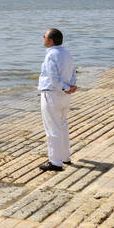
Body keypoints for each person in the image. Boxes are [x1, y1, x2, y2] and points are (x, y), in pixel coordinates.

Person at [37, 27, 76, 171]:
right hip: (65, 95)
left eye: (44, 36)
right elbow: (73, 71)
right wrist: (71, 85)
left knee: (52, 128)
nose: (42, 38)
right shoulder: (67, 53)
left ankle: (55, 162)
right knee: (62, 124)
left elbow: (53, 78)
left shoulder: (50, 55)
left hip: (52, 93)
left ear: (50, 40)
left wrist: (65, 87)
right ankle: (65, 157)